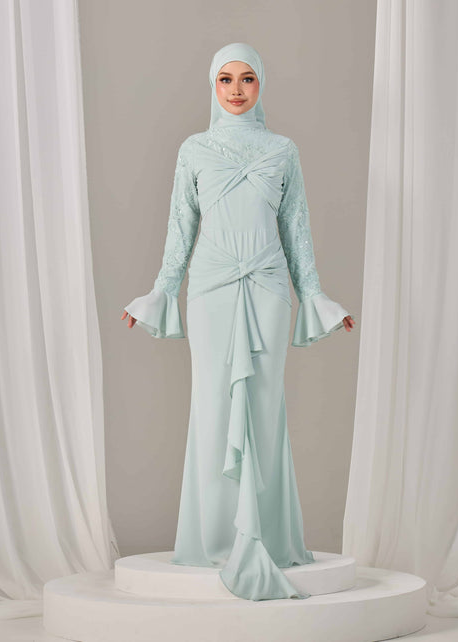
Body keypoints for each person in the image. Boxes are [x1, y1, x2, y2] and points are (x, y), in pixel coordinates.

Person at [121, 42, 355, 601]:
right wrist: (160, 292)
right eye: (225, 79)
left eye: (247, 78)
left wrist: (316, 297)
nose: (235, 89)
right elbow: (181, 226)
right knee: (212, 407)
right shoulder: (195, 149)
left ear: (260, 85)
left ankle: (268, 536)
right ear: (213, 85)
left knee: (264, 410)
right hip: (211, 289)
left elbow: (296, 228)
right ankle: (215, 538)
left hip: (270, 289)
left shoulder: (283, 150)